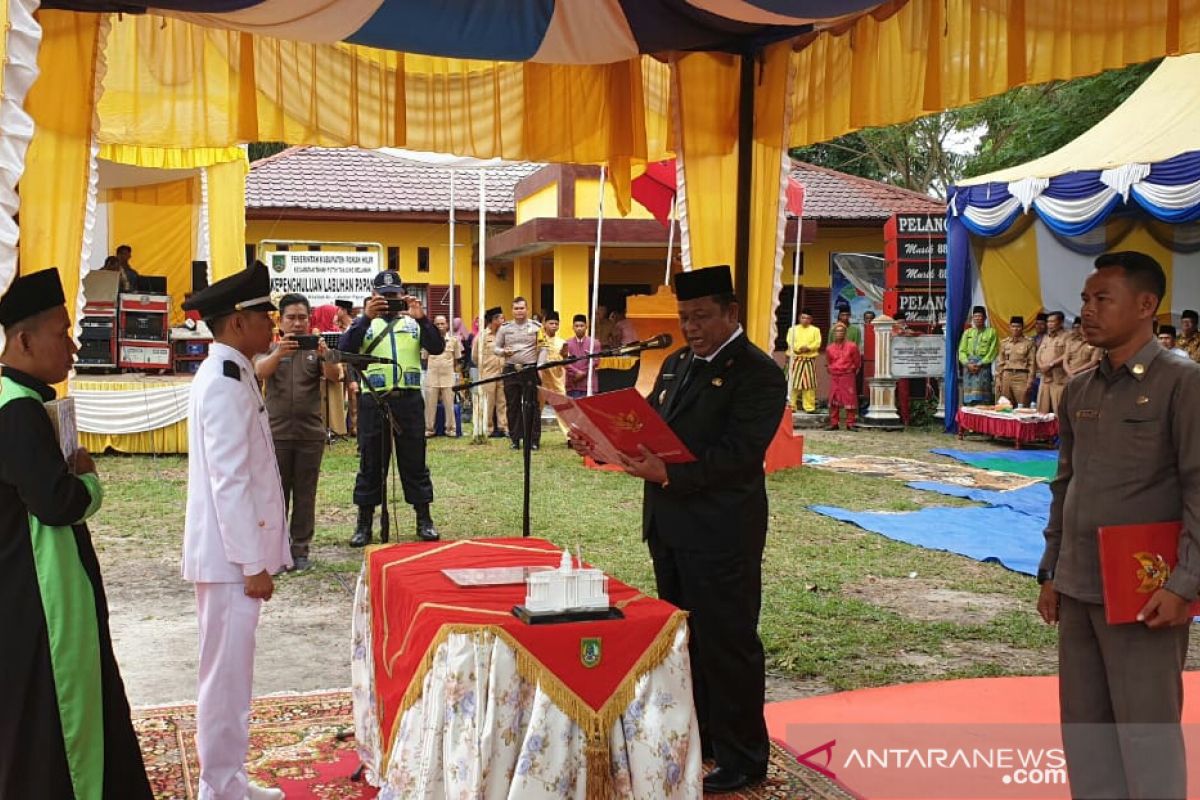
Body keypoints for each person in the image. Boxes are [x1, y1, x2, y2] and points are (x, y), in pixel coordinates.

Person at [574, 264, 785, 794]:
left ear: (731, 313)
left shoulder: (757, 373)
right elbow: (645, 425)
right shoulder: (676, 363)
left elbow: (739, 456)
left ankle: (744, 755)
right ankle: (705, 737)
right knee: (686, 639)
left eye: (701, 317)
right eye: (684, 317)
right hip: (670, 525)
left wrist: (671, 473)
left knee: (727, 640)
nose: (690, 327)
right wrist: (599, 441)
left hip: (721, 530)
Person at [1038, 250, 1199, 800]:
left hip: (1144, 589)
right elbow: (1066, 482)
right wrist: (1051, 568)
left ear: (1146, 305)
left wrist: (1184, 584)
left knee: (1146, 735)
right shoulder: (1080, 388)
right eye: (1085, 298)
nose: (1087, 309)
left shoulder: (1183, 383)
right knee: (1085, 733)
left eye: (1102, 298)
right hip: (1079, 583)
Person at [0, 268, 153, 800]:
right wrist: (89, 479)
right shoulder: (16, 408)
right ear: (23, 340)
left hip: (26, 584)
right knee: (65, 714)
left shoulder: (19, 396)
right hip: (41, 591)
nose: (72, 344)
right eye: (62, 332)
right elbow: (57, 502)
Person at [181, 262, 291, 800]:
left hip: (232, 555)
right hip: (229, 560)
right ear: (235, 324)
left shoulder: (235, 369)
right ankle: (219, 788)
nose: (271, 323)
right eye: (262, 315)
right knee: (224, 680)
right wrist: (252, 564)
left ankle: (229, 780)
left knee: (231, 675)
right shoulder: (223, 380)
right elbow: (230, 481)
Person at [340, 269, 443, 545]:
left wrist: (423, 319)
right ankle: (364, 524)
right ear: (373, 296)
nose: (388, 301)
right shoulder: (365, 324)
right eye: (383, 296)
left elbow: (437, 347)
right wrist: (364, 318)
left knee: (415, 462)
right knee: (371, 463)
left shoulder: (413, 323)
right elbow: (344, 349)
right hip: (373, 400)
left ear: (402, 294)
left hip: (408, 401)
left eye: (393, 295)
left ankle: (424, 519)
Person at [255, 293, 340, 571]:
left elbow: (334, 375)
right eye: (291, 317)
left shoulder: (315, 348)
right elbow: (260, 372)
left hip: (309, 435)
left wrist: (325, 356)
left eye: (302, 317)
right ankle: (275, 551)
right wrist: (280, 353)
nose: (297, 323)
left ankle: (300, 549)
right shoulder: (269, 347)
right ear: (280, 320)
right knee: (276, 496)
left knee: (305, 494)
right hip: (276, 434)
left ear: (310, 319)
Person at [495, 296, 546, 450]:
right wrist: (503, 351)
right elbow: (495, 348)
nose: (519, 311)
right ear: (512, 310)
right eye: (516, 308)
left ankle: (533, 440)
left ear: (527, 309)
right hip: (511, 369)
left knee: (531, 405)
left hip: (530, 369)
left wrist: (539, 367)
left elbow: (543, 348)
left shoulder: (536, 327)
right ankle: (515, 439)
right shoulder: (505, 328)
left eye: (522, 308)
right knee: (513, 405)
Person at [423, 314, 463, 437]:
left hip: (448, 376)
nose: (440, 326)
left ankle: (450, 429)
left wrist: (456, 376)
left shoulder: (453, 340)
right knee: (430, 405)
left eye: (442, 324)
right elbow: (424, 358)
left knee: (449, 405)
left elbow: (457, 360)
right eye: (437, 324)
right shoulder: (428, 340)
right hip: (432, 376)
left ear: (447, 325)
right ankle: (429, 429)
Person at [472, 307, 508, 438]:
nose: (503, 321)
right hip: (488, 374)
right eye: (500, 318)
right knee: (488, 402)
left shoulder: (504, 335)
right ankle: (488, 428)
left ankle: (503, 427)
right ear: (493, 320)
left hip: (503, 373)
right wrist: (485, 368)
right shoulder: (482, 336)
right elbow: (475, 356)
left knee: (502, 402)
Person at [957, 305, 998, 406]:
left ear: (985, 318)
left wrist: (979, 364)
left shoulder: (991, 332)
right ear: (972, 319)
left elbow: (993, 351)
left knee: (983, 400)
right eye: (975, 316)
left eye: (980, 316)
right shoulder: (967, 333)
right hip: (968, 368)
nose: (978, 318)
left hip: (983, 368)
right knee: (969, 400)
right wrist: (967, 364)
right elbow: (961, 351)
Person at [825, 321, 861, 430]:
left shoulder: (852, 346)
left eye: (841, 331)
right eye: (837, 331)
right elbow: (829, 362)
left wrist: (850, 370)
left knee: (849, 398)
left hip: (847, 375)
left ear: (845, 333)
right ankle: (834, 423)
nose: (839, 333)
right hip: (835, 375)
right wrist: (833, 370)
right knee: (834, 398)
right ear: (833, 333)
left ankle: (850, 423)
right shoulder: (829, 348)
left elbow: (857, 362)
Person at [995, 315, 1035, 406]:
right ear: (1010, 327)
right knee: (1005, 406)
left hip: (1021, 376)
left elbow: (1032, 364)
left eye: (1018, 326)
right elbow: (1000, 363)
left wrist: (1030, 381)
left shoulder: (1029, 343)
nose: (1015, 329)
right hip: (1006, 376)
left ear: (1022, 327)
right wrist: (998, 379)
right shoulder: (1004, 343)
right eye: (1013, 326)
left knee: (1023, 406)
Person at [785, 310, 821, 413]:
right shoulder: (792, 329)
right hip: (795, 359)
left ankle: (809, 407)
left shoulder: (815, 330)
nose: (805, 320)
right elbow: (789, 341)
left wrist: (808, 348)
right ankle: (791, 405)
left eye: (807, 318)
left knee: (809, 385)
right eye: (803, 318)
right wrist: (798, 348)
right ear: (799, 318)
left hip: (808, 360)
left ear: (811, 319)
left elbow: (817, 343)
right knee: (793, 383)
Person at [1036, 311, 1069, 414]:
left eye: (1052, 321)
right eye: (1048, 322)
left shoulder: (1068, 336)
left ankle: (1059, 430)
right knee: (1042, 411)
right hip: (1045, 378)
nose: (1049, 324)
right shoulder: (1046, 337)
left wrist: (1051, 365)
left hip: (1059, 378)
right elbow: (1038, 353)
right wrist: (1041, 365)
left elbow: (1068, 354)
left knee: (1058, 410)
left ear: (1061, 322)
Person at [564, 313, 600, 398]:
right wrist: (576, 372)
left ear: (586, 327)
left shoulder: (594, 343)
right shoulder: (567, 343)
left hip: (589, 384)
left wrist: (582, 373)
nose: (579, 328)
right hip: (573, 384)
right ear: (573, 327)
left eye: (581, 326)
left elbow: (595, 361)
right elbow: (565, 362)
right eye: (576, 326)